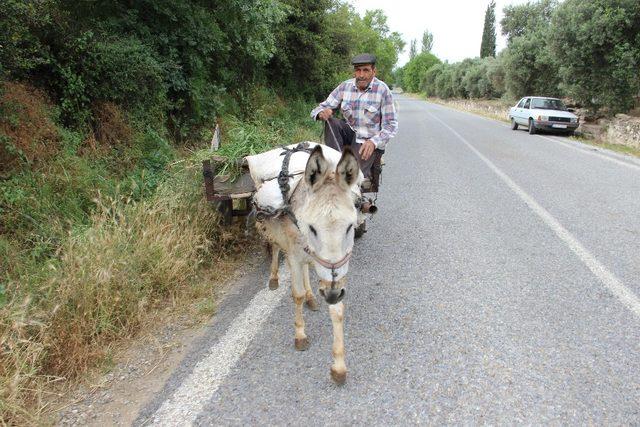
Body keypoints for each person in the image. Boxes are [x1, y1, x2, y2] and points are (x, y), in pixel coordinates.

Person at [310, 53, 398, 180]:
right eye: (358, 70)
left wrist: (373, 142)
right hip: (350, 135)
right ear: (354, 72)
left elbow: (391, 125)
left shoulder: (382, 90)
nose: (361, 75)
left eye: (366, 70)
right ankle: (334, 160)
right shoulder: (345, 87)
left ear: (374, 71)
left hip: (367, 141)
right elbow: (320, 108)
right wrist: (321, 113)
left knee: (350, 177)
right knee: (332, 121)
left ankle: (345, 174)